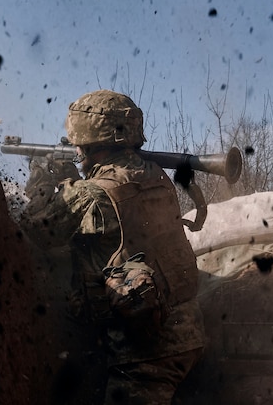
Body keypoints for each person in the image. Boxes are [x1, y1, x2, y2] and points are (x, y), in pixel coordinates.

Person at [21, 89, 206, 405]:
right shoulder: (156, 175)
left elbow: (38, 231)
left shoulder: (91, 194)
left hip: (145, 351)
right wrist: (72, 181)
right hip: (187, 329)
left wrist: (41, 183)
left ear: (89, 141)